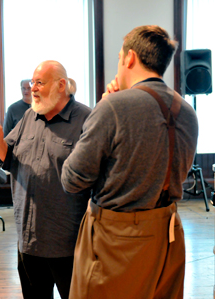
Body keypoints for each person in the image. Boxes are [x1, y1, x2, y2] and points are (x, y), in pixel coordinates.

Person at [61, 25, 199, 299]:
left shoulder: (113, 106)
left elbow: (72, 178)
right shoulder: (187, 111)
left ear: (130, 58)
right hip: (169, 235)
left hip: (117, 241)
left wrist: (102, 109)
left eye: (118, 58)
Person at [0, 60, 91, 299]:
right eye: (32, 82)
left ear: (61, 85)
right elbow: (10, 160)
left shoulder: (86, 119)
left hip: (68, 243)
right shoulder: (28, 117)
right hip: (29, 240)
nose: (33, 88)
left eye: (39, 83)